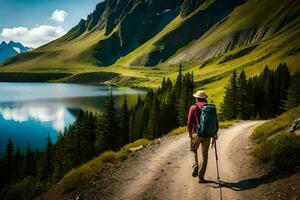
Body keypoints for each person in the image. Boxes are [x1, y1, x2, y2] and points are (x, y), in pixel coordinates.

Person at [187, 90, 217, 183]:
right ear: (205, 98)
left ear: (197, 98)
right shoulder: (210, 108)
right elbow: (216, 122)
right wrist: (215, 133)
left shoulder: (193, 107)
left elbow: (189, 123)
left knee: (193, 150)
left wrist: (190, 134)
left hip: (196, 133)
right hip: (207, 134)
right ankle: (201, 177)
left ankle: (195, 165)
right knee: (205, 156)